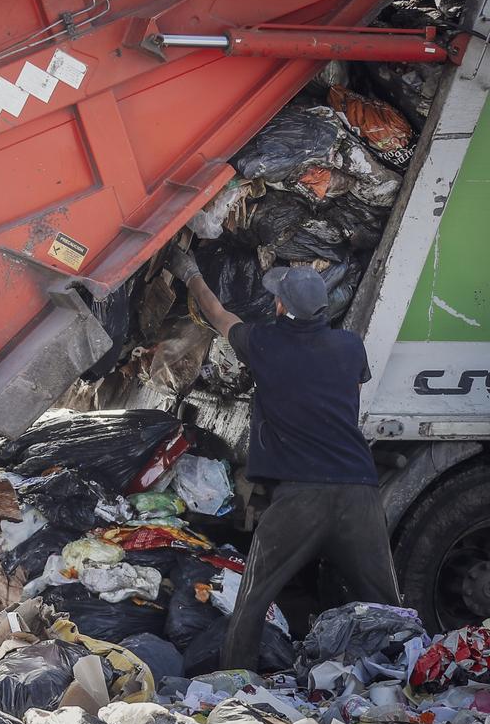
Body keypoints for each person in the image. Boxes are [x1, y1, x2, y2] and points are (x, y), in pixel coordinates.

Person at [165, 252, 400, 669]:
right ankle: (414, 675)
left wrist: (190, 271)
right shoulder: (350, 346)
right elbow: (348, 404)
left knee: (254, 598)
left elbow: (217, 312)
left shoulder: (263, 343)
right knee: (387, 605)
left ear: (280, 307)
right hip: (358, 491)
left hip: (300, 497)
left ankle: (236, 681)